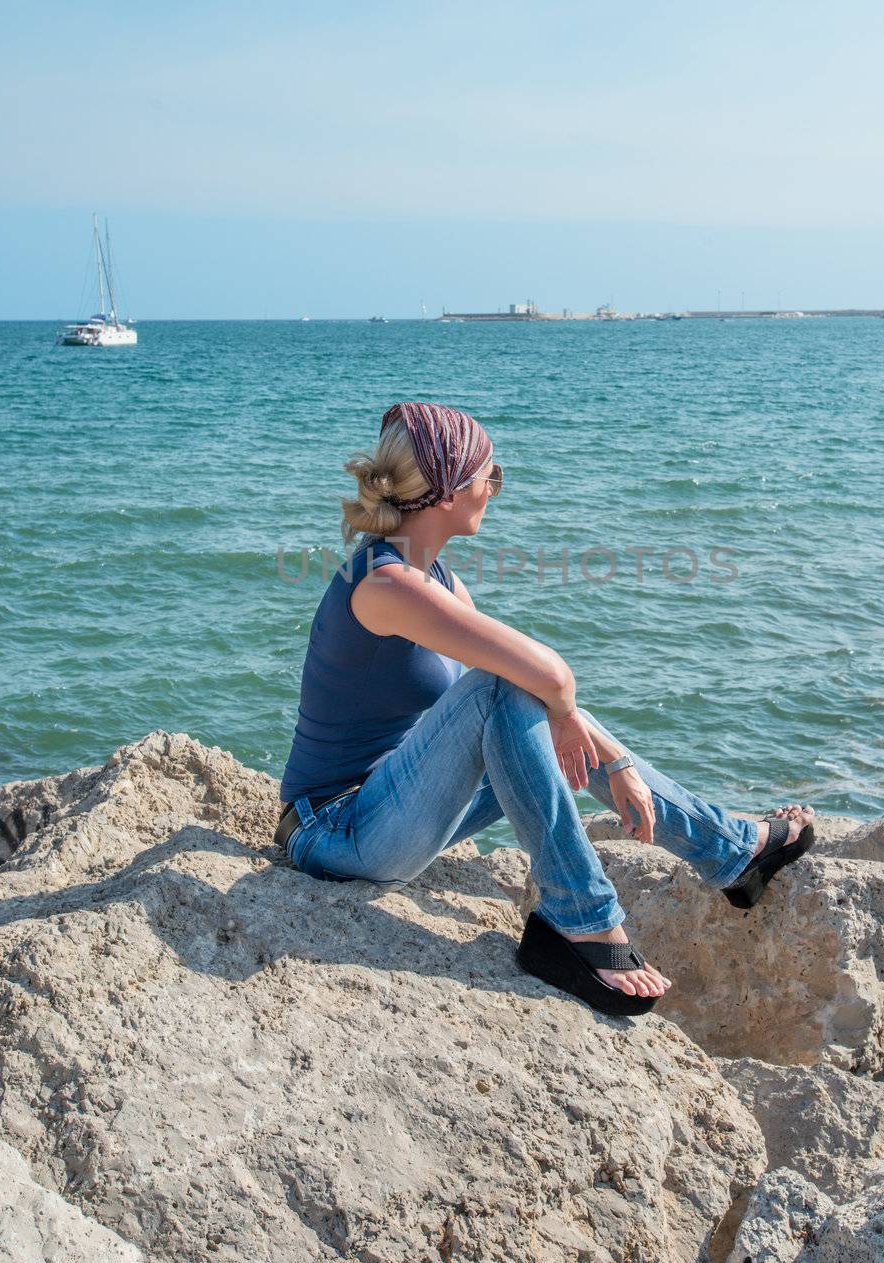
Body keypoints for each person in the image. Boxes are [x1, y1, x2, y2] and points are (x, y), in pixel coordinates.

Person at [278, 400, 814, 1017]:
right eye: (490, 475)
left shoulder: (442, 584)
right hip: (335, 832)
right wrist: (599, 749)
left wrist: (615, 762)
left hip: (397, 811)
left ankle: (733, 851)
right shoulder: (385, 586)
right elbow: (546, 674)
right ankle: (582, 922)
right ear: (449, 489)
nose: (494, 489)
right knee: (509, 687)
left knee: (528, 705)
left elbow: (540, 691)